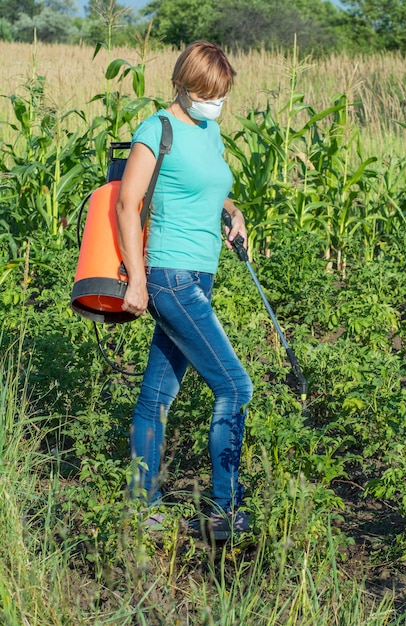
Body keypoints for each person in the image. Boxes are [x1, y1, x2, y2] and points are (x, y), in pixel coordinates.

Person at [115, 41, 253, 539]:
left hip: (203, 272)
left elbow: (211, 187)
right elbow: (128, 205)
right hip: (170, 274)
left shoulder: (210, 131)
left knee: (158, 391)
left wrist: (234, 212)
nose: (214, 101)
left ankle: (139, 508)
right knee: (235, 387)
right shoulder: (158, 129)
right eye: (206, 92)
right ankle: (224, 512)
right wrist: (136, 278)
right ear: (184, 84)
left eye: (220, 93)